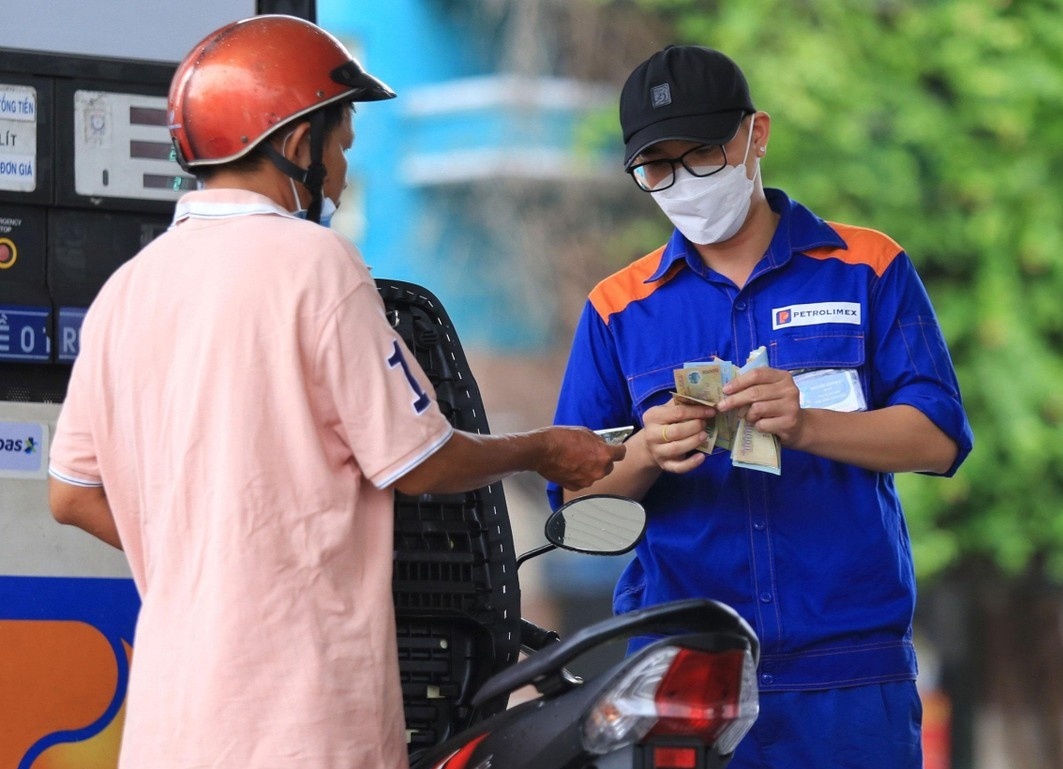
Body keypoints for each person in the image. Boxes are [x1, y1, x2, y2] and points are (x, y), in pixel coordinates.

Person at [47, 15, 623, 769]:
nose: (347, 171)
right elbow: (417, 460)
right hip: (302, 716)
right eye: (344, 145)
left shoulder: (128, 288)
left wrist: (207, 554)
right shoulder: (315, 262)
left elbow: (70, 492)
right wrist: (543, 448)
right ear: (295, 145)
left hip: (167, 726)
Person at [548, 45, 973, 769]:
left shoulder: (867, 266)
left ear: (756, 135)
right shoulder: (618, 309)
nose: (683, 181)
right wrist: (647, 451)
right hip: (684, 678)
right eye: (658, 166)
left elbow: (937, 439)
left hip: (846, 668)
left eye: (703, 153)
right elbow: (575, 507)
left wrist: (807, 422)